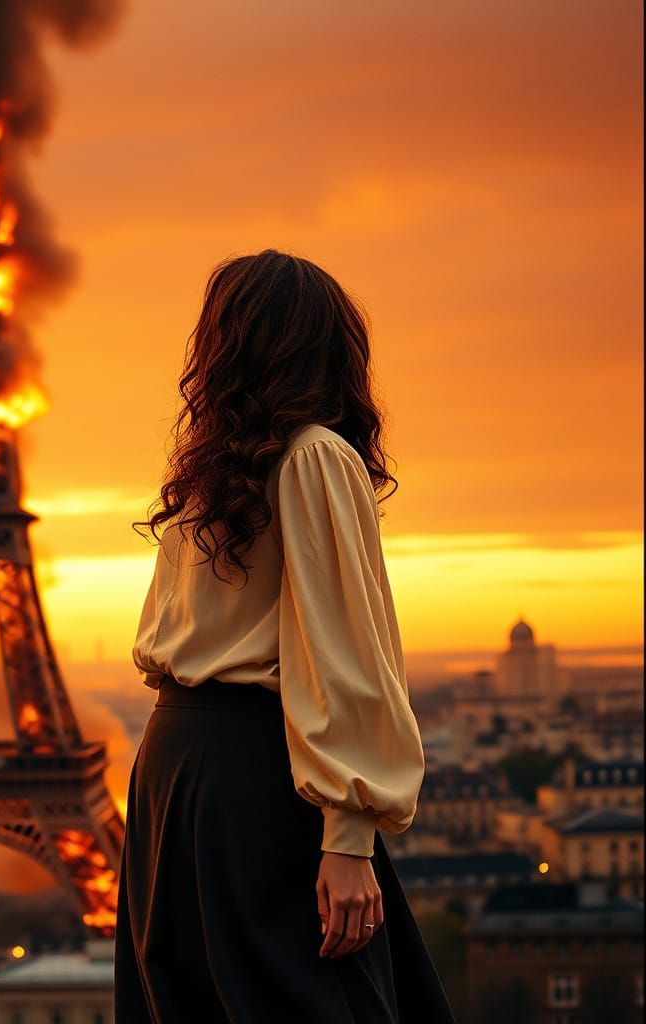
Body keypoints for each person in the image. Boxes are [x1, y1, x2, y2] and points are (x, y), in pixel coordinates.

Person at [113, 250, 457, 1023]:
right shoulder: (317, 457)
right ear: (330, 346)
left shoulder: (207, 478)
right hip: (258, 776)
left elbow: (165, 642)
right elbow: (344, 652)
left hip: (173, 770)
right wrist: (348, 837)